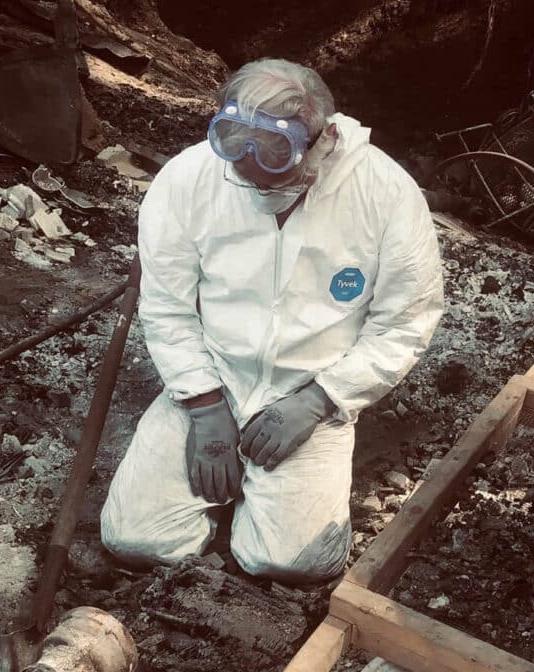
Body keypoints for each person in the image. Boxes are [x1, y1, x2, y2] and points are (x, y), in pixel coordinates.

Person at [100, 59, 444, 584]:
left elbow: (405, 321)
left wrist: (322, 398)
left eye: (276, 177)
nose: (258, 187)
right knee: (135, 539)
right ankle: (233, 486)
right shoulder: (188, 180)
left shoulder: (385, 194)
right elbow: (167, 307)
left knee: (291, 561)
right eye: (245, 175)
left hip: (310, 389)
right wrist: (204, 406)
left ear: (324, 141)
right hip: (216, 374)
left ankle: (269, 496)